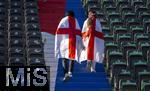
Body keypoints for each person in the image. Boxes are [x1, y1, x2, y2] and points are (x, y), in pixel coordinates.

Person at [55, 11, 84, 81]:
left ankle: (65, 73)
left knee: (64, 58)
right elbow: (78, 32)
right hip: (72, 41)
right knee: (72, 57)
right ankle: (70, 72)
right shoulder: (75, 20)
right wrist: (81, 44)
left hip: (64, 41)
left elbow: (58, 32)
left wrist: (58, 43)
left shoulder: (63, 20)